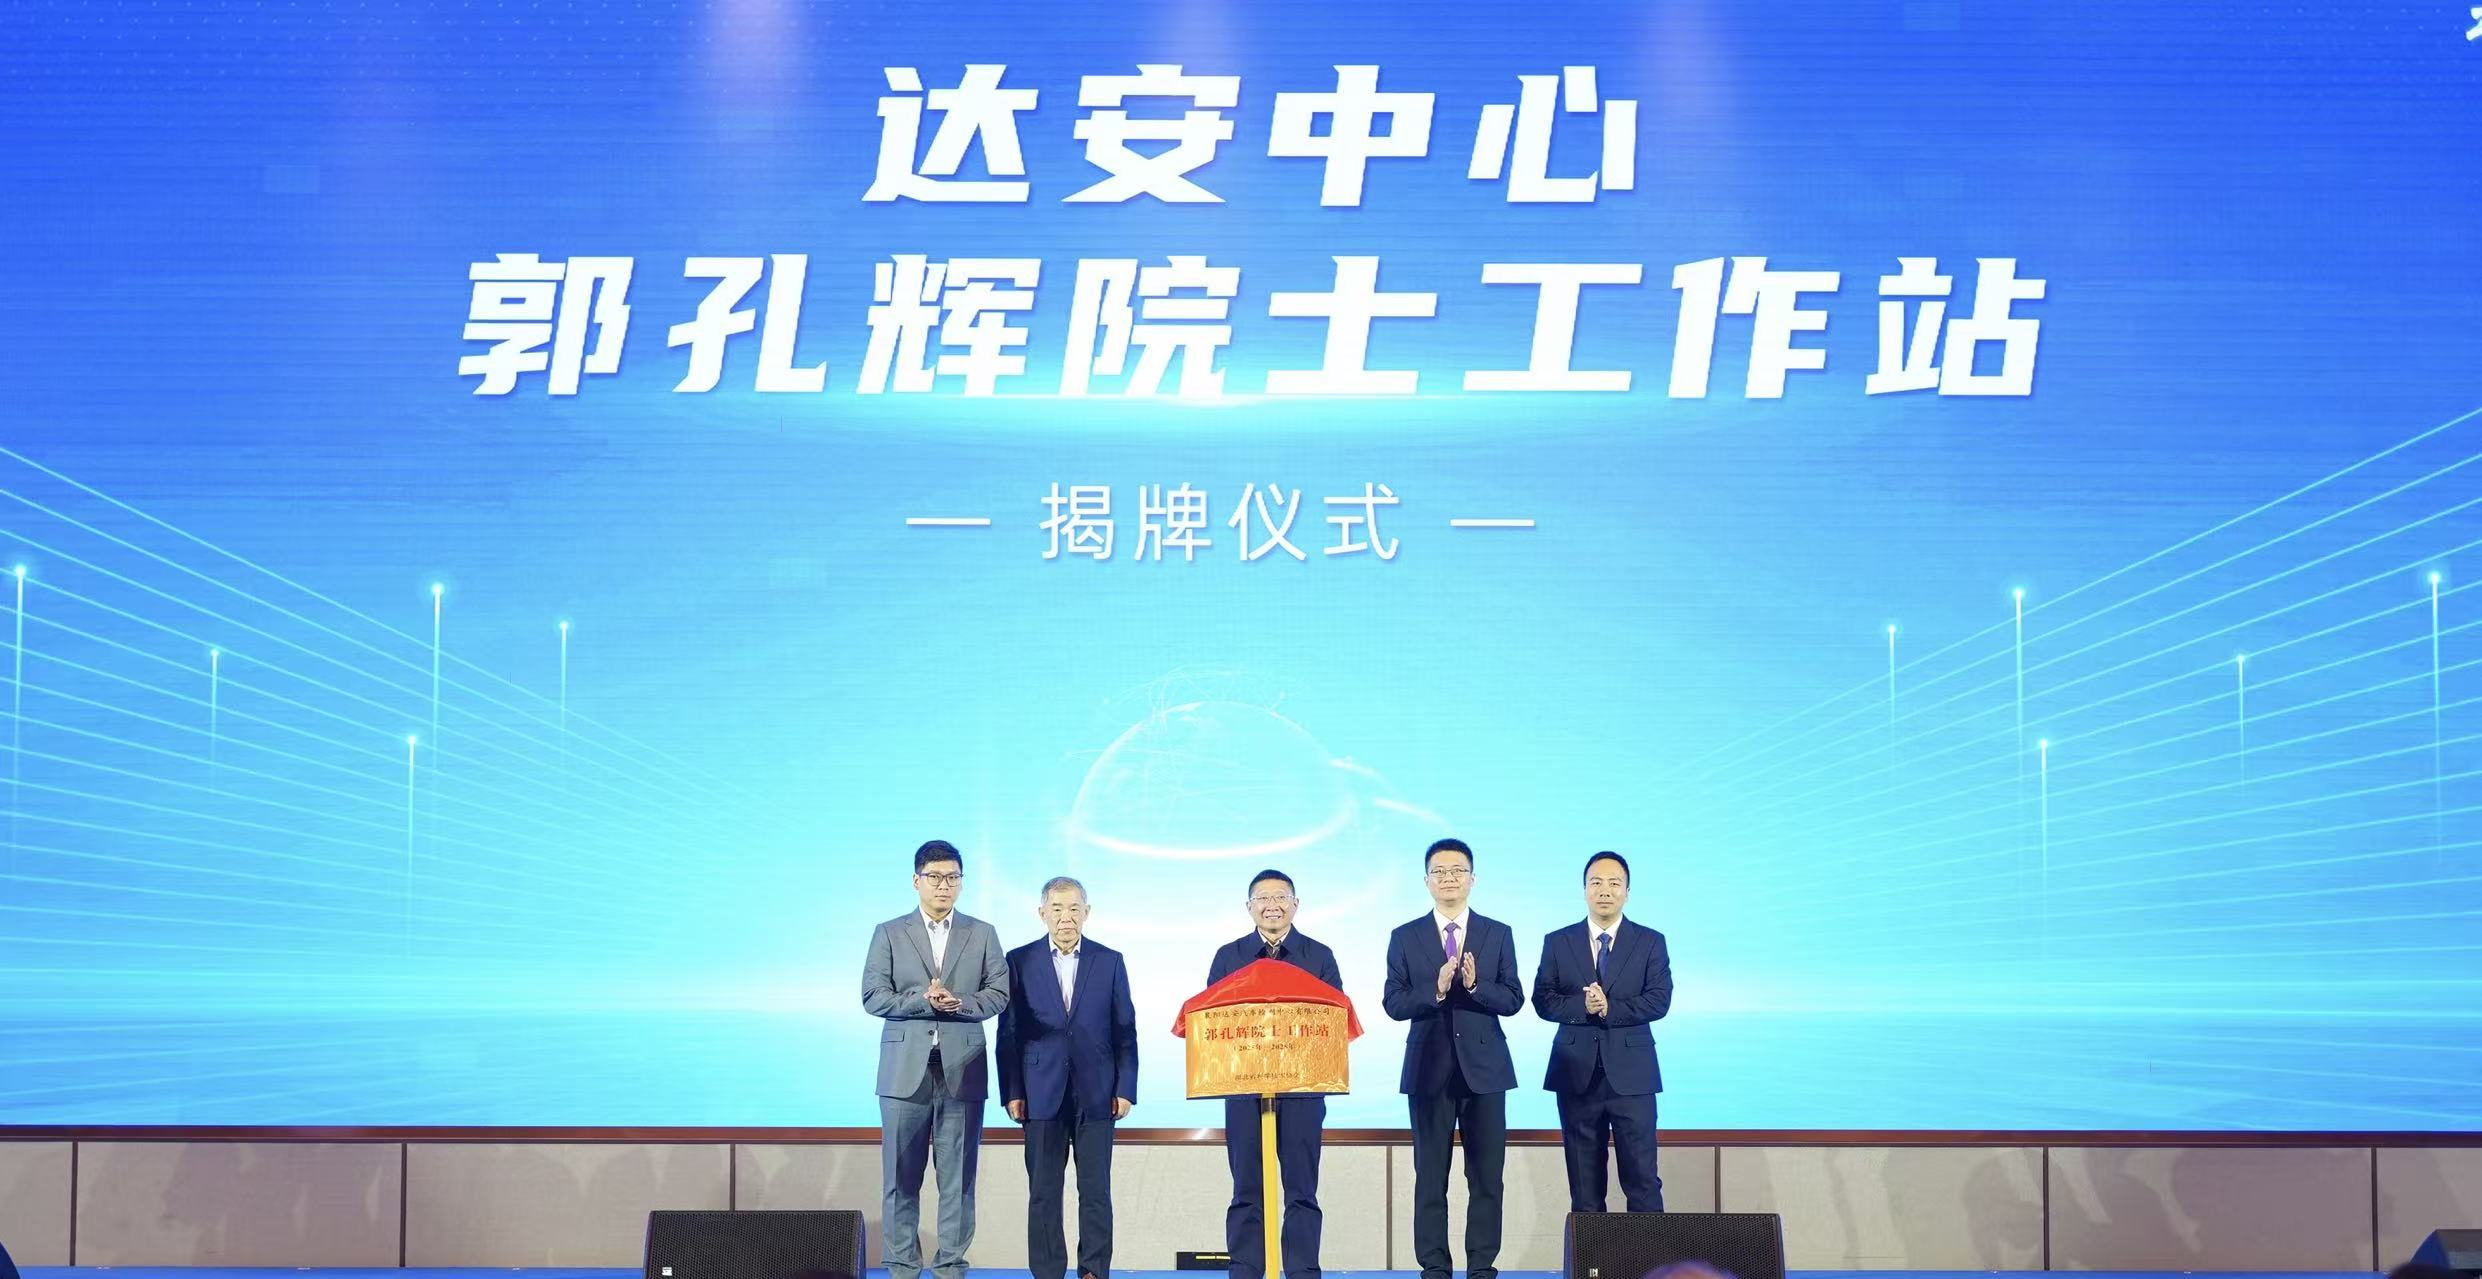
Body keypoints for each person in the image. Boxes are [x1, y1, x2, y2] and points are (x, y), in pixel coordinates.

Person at [862, 840, 1010, 1279]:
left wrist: (959, 1002)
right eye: (935, 877)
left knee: (958, 1181)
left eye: (952, 878)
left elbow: (999, 994)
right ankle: (902, 1268)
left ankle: (950, 1268)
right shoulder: (889, 932)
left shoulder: (982, 933)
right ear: (916, 881)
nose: (944, 885)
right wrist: (921, 1000)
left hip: (963, 1069)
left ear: (961, 883)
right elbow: (873, 996)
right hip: (904, 1072)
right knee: (900, 1179)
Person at [1382, 838, 1523, 1279]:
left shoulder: (1498, 933)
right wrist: (1437, 989)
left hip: (1486, 1071)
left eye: (1457, 871)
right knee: (1430, 1176)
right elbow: (1393, 1003)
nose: (1448, 879)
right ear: (1426, 881)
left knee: (1486, 1177)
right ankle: (1434, 1267)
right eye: (1439, 872)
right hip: (1428, 1071)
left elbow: (1514, 999)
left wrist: (1476, 987)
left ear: (1472, 879)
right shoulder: (1404, 936)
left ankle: (1482, 1266)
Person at [999, 876, 1138, 1279]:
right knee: (1043, 1192)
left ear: (1087, 913)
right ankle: (1047, 1272)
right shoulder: (1018, 961)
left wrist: (1126, 1088)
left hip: (1098, 1092)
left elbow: (1125, 1030)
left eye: (1074, 908)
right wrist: (1012, 1090)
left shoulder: (1110, 960)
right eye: (1057, 909)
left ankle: (1093, 1269)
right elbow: (1008, 1033)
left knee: (1095, 1191)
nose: (1066, 917)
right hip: (1039, 1091)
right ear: (1042, 913)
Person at [1208, 868, 1344, 1279]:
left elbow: (1335, 1021)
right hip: (1243, 1090)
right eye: (1263, 898)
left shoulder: (1319, 956)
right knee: (1246, 1189)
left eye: (1281, 897)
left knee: (1302, 1191)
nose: (1272, 905)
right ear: (1249, 907)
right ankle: (1245, 1271)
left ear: (1295, 904)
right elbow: (1211, 1023)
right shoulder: (1228, 957)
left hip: (1303, 1090)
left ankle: (1302, 1271)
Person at [1532, 850, 1672, 1213]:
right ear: (1584, 890)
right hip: (1576, 1076)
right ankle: (1591, 1254)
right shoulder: (1558, 941)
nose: (1604, 890)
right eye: (1596, 882)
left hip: (1633, 1079)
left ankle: (1646, 1253)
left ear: (1627, 891)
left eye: (1614, 883)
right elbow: (1543, 1000)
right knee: (1585, 1189)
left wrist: (1610, 1009)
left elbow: (1659, 1001)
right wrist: (1583, 1006)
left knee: (1642, 1183)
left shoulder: (1650, 941)